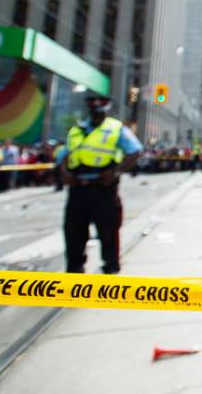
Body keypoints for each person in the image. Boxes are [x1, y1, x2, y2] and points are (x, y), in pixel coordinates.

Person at [57, 94, 141, 274]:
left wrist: (115, 172)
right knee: (73, 233)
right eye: (93, 109)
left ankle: (110, 270)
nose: (96, 112)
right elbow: (64, 155)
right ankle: (74, 272)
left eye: (99, 109)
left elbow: (135, 151)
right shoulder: (76, 130)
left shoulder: (116, 129)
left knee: (108, 232)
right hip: (77, 189)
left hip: (103, 190)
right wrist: (64, 173)